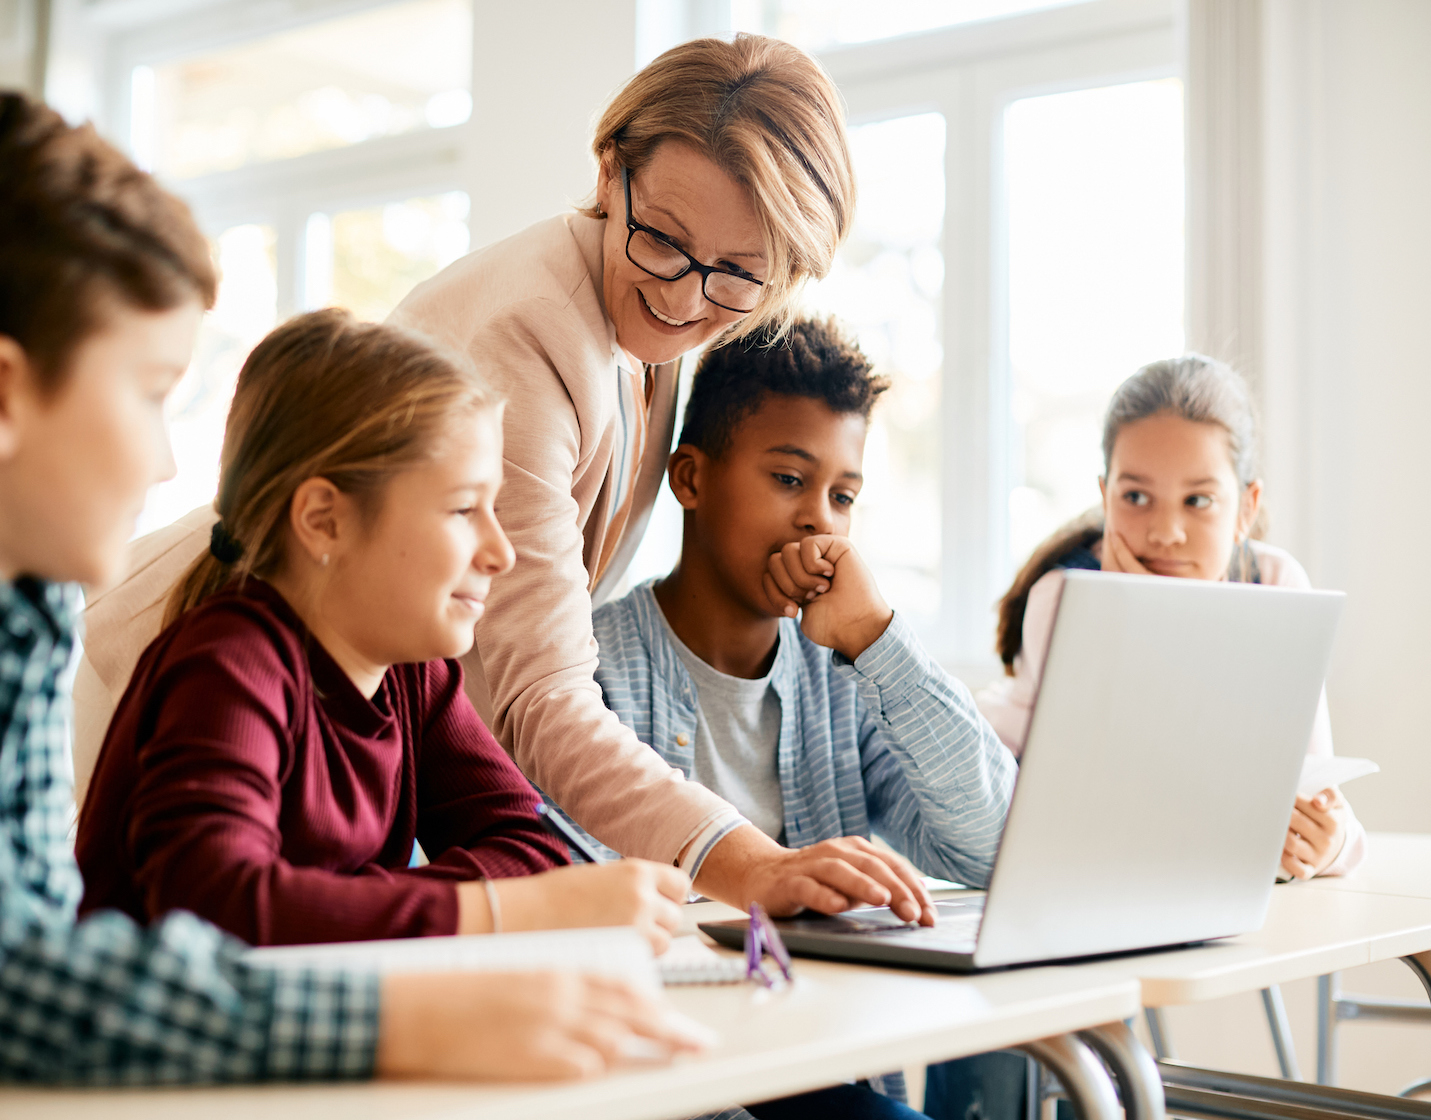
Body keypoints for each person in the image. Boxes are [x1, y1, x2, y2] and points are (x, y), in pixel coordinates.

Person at [73, 34, 933, 925]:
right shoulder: (527, 335)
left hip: (369, 683)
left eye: (736, 275)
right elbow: (541, 698)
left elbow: (519, 835)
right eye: (663, 243)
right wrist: (745, 863)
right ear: (611, 174)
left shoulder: (425, 673)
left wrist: (433, 904)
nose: (683, 301)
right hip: (251, 686)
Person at [0, 90, 695, 1083]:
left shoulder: (25, 618)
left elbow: (28, 974)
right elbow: (164, 933)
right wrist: (441, 964)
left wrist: (357, 909)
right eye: (152, 393)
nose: (164, 466)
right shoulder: (226, 658)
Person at [75, 309, 690, 952]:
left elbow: (533, 851)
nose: (500, 552)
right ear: (324, 520)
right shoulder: (227, 665)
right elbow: (217, 910)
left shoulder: (411, 671)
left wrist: (334, 903)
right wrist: (498, 909)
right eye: (461, 509)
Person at [573, 318, 1017, 1120]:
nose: (822, 521)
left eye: (842, 496)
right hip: (666, 1083)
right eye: (788, 479)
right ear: (690, 477)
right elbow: (583, 920)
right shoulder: (589, 672)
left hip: (823, 1074)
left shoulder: (845, 674)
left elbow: (994, 850)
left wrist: (878, 639)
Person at [978, 355, 1365, 882]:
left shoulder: (1277, 586)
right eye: (1136, 497)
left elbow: (1321, 791)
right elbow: (1100, 802)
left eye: (1198, 500)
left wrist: (1333, 843)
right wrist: (1129, 612)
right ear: (1104, 497)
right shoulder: (1062, 597)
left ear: (1246, 508)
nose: (1165, 532)